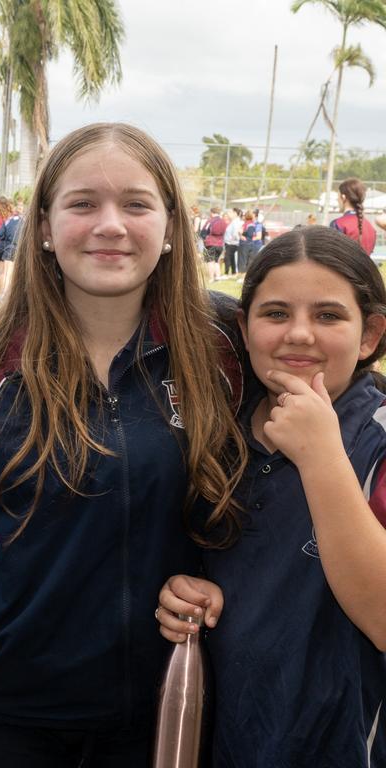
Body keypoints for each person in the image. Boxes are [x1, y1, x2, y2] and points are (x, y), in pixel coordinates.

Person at [0, 122, 246, 768]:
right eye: (83, 203)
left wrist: (209, 584)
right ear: (41, 226)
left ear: (172, 226)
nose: (110, 225)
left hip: (162, 710)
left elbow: (258, 512)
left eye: (136, 204)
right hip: (7, 716)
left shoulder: (222, 349)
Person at [157, 226, 386, 765]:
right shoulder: (219, 430)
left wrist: (322, 457)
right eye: (276, 313)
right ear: (244, 325)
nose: (300, 334)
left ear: (371, 334)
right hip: (230, 735)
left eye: (329, 316)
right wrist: (189, 593)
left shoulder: (376, 439)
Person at [331, 177, 377, 256]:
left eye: (338, 196)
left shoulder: (338, 224)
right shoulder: (370, 227)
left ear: (343, 197)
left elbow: (332, 256)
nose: (336, 199)